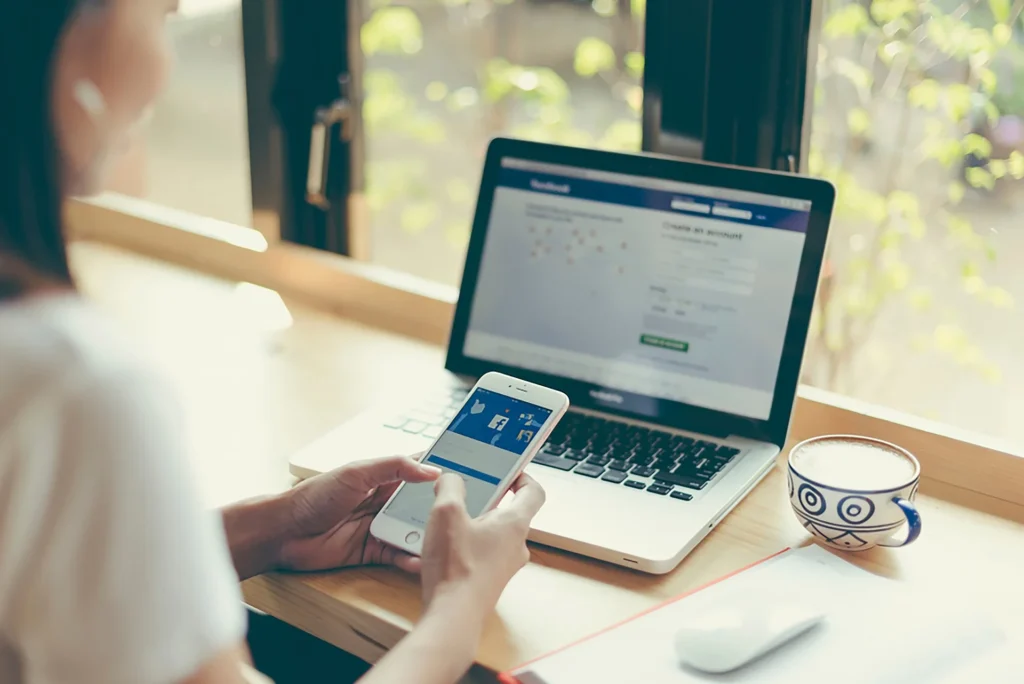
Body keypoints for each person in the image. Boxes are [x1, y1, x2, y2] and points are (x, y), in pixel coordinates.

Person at [0, 2, 546, 683]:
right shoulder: (78, 389)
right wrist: (460, 609)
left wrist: (277, 528)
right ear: (59, 36)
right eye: (160, 16)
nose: (167, 62)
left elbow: (46, 568)